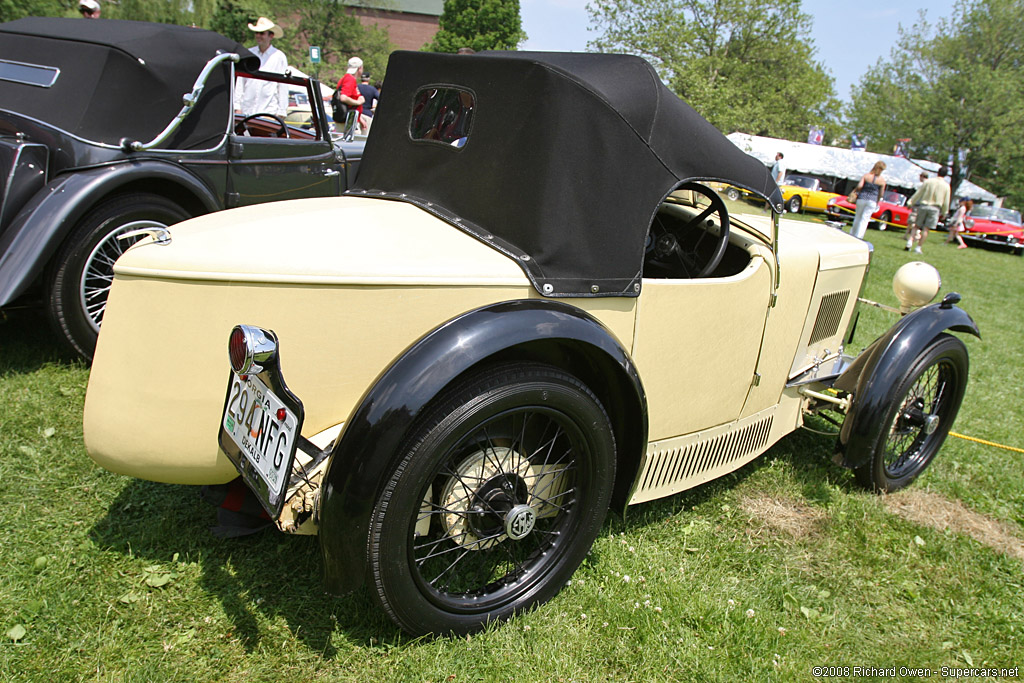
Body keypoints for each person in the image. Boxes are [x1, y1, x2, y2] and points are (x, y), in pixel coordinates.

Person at [233, 17, 288, 118]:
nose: (258, 36)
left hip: (269, 113)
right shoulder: (249, 54)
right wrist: (237, 106)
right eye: (256, 33)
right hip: (247, 111)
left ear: (271, 36)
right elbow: (241, 81)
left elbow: (283, 86)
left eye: (262, 33)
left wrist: (281, 111)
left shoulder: (279, 57)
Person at [906, 166, 952, 254]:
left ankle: (909, 242)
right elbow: (946, 201)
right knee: (926, 229)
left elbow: (918, 193)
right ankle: (918, 247)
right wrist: (945, 212)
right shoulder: (946, 186)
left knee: (916, 226)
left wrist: (911, 202)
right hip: (935, 208)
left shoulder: (928, 182)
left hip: (924, 205)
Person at [850, 161, 886, 240]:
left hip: (862, 198)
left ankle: (852, 234)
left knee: (857, 217)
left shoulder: (866, 176)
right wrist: (877, 201)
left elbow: (859, 186)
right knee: (865, 219)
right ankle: (859, 236)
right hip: (872, 200)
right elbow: (881, 194)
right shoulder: (882, 180)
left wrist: (856, 190)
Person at [335, 57, 366, 134]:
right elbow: (343, 98)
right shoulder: (350, 79)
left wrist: (360, 118)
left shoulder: (344, 79)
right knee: (355, 143)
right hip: (348, 120)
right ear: (360, 68)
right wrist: (358, 102)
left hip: (347, 118)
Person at [904, 172, 929, 250]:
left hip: (918, 205)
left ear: (922, 176)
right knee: (915, 223)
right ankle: (908, 236)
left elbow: (917, 195)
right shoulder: (929, 184)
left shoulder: (923, 185)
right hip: (924, 206)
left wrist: (911, 202)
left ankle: (915, 237)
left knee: (914, 222)